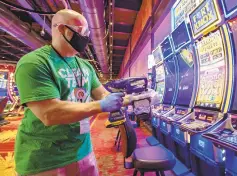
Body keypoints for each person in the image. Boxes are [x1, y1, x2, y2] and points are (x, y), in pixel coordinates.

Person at [14, 9, 146, 176]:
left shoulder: (85, 66)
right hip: (45, 158)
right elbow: (49, 114)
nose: (86, 37)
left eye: (88, 32)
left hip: (83, 150)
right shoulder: (34, 63)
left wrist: (133, 98)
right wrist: (101, 105)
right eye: (81, 31)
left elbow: (102, 95)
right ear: (62, 29)